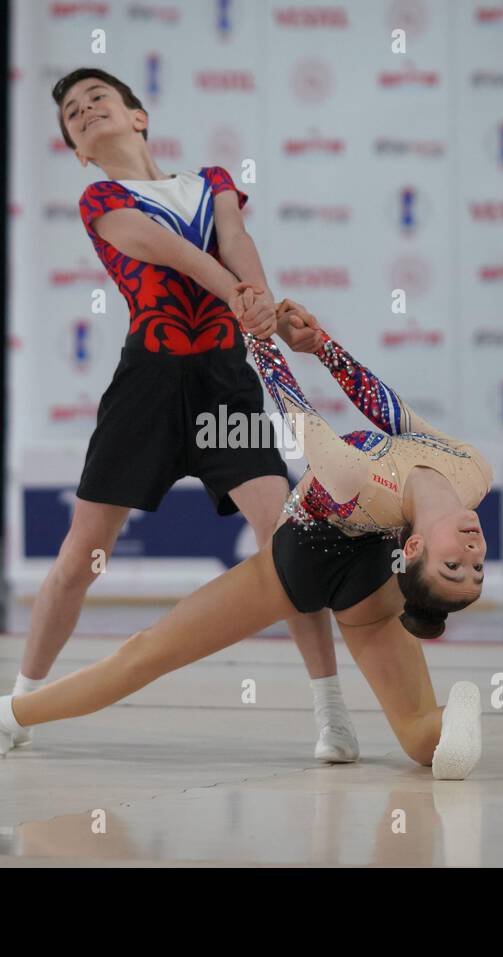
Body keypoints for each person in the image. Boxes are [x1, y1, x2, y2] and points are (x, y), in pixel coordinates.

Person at [0, 293, 492, 779]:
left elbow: (297, 412)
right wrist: (320, 345)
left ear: (413, 549)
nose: (470, 555)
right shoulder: (473, 473)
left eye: (453, 570)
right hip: (353, 561)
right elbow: (393, 413)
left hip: (310, 558)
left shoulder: (354, 478)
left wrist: (261, 342)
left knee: (147, 652)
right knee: (152, 654)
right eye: (474, 568)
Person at [21, 67, 358, 762]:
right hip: (147, 384)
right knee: (84, 556)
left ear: (138, 116)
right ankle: (19, 704)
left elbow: (233, 241)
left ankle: (333, 715)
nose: (85, 113)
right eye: (73, 116)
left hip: (222, 384)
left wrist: (260, 298)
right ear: (77, 151)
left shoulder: (211, 183)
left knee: (282, 536)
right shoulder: (101, 198)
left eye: (98, 102)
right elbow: (169, 251)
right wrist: (243, 295)